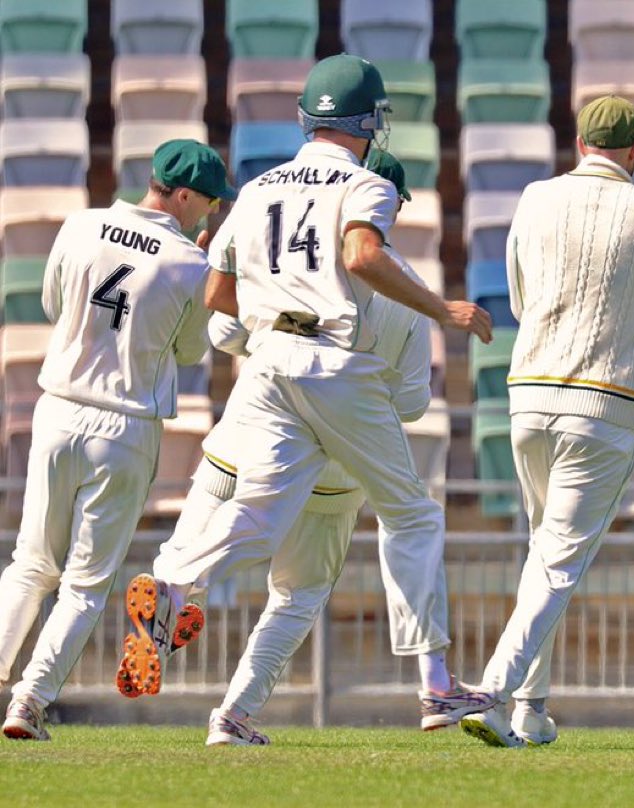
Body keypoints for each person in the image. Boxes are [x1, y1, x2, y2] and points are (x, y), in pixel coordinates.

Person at [116, 55, 495, 731]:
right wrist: (445, 311)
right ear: (366, 123)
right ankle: (435, 683)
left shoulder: (259, 188)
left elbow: (217, 295)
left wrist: (270, 317)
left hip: (269, 362)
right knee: (412, 515)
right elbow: (360, 258)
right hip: (335, 372)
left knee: (254, 518)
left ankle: (173, 586)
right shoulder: (366, 185)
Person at [148, 152, 460, 745]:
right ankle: (234, 714)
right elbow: (415, 404)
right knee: (298, 595)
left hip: (242, 444)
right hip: (338, 473)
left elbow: (221, 331)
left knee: (231, 530)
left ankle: (172, 581)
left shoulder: (282, 264)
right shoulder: (409, 296)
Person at [459, 95, 634, 747]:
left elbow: (521, 294)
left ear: (580, 144)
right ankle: (495, 693)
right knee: (558, 563)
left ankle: (531, 706)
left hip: (528, 396)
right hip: (604, 406)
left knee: (543, 556)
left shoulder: (533, 198)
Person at [0, 139, 237, 741]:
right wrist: (193, 271)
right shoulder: (190, 263)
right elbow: (188, 353)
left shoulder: (82, 224)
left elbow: (54, 304)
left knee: (30, 565)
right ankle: (29, 702)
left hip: (58, 409)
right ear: (182, 195)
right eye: (207, 204)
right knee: (84, 584)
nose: (208, 215)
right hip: (126, 425)